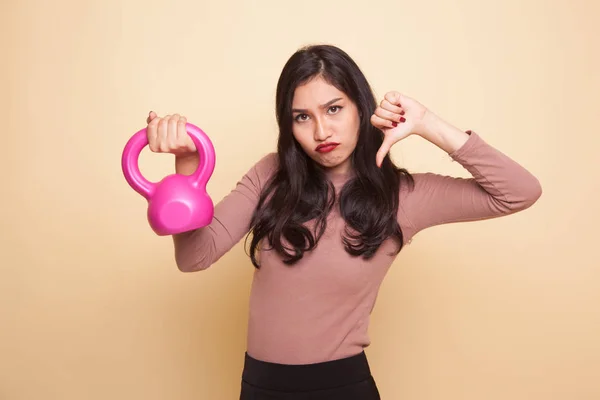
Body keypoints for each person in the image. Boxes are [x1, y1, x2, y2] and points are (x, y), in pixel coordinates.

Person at [143, 44, 542, 399]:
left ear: (360, 107)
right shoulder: (271, 174)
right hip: (260, 387)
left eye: (334, 109)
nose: (321, 131)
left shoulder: (405, 195)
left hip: (341, 387)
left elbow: (520, 191)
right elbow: (194, 256)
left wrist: (426, 123)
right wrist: (186, 175)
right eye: (302, 116)